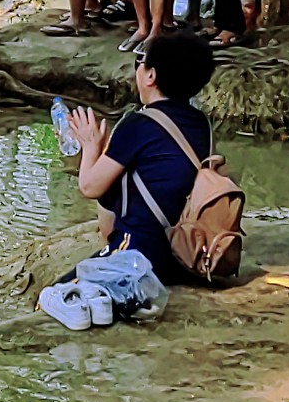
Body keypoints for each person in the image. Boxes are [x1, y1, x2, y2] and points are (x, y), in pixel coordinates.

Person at [62, 30, 218, 286]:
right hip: (188, 253)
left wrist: (91, 145)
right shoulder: (201, 123)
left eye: (140, 63)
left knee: (53, 297)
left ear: (151, 75)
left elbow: (90, 186)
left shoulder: (138, 123)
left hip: (140, 254)